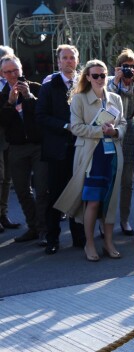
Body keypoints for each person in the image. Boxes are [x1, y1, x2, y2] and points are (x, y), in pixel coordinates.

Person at [54, 59, 126, 262]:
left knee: (110, 201)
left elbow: (123, 124)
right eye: (95, 75)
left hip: (112, 155)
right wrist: (100, 131)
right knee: (92, 202)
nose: (100, 79)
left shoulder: (115, 98)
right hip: (91, 157)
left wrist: (115, 131)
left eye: (103, 75)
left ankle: (109, 243)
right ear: (87, 77)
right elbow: (76, 128)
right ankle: (90, 243)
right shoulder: (79, 99)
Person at [36, 44, 86, 254]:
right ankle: (52, 238)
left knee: (79, 193)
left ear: (77, 60)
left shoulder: (85, 84)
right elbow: (41, 116)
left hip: (80, 148)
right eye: (64, 58)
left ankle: (78, 237)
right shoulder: (49, 86)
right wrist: (65, 126)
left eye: (71, 58)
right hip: (57, 149)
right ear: (58, 61)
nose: (68, 61)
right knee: (55, 195)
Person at [0, 56, 48, 242]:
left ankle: (44, 230)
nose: (12, 75)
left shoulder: (36, 88)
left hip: (38, 146)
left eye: (15, 70)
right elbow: (3, 122)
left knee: (42, 189)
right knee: (21, 190)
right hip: (17, 148)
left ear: (21, 70)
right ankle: (33, 226)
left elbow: (43, 114)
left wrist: (28, 97)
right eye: (8, 72)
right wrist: (10, 103)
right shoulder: (3, 94)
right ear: (2, 74)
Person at [107, 48, 134, 236]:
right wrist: (115, 81)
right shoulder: (109, 82)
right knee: (108, 181)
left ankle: (124, 220)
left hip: (131, 133)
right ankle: (105, 222)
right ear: (118, 67)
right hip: (110, 131)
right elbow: (104, 103)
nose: (129, 71)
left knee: (127, 182)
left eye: (133, 67)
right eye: (125, 67)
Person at [0, 46, 21, 233]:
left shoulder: (15, 84)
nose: (11, 73)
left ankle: (3, 214)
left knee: (6, 178)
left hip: (8, 138)